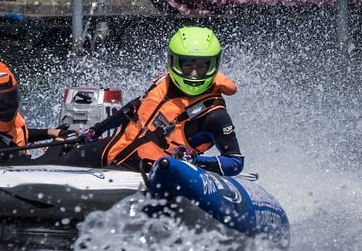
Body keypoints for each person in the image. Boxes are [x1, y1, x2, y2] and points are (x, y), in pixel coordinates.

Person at [36, 26, 245, 176]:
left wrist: (195, 160)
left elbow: (235, 162)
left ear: (213, 66)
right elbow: (132, 108)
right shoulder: (162, 82)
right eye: (187, 65)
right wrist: (96, 131)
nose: (193, 73)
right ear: (172, 62)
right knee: (55, 168)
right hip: (115, 148)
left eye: (201, 66)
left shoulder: (215, 114)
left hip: (150, 172)